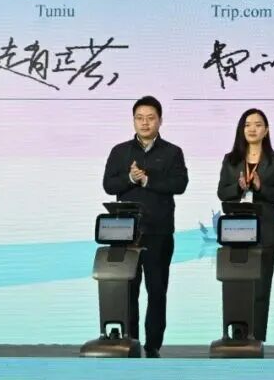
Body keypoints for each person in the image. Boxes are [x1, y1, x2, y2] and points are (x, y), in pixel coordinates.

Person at [102, 95, 189, 358]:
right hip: (125, 234)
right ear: (133, 120)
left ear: (160, 120)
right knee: (127, 290)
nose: (145, 123)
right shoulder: (120, 151)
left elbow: (180, 185)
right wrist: (130, 178)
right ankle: (130, 342)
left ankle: (153, 346)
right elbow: (108, 185)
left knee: (157, 290)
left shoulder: (172, 152)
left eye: (151, 118)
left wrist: (148, 181)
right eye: (139, 118)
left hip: (159, 232)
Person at [217, 108, 274, 342]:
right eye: (247, 125)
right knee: (236, 287)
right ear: (241, 129)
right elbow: (222, 192)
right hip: (236, 232)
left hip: (266, 232)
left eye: (258, 124)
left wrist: (259, 187)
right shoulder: (231, 159)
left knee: (261, 290)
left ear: (266, 130)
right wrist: (239, 187)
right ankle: (236, 336)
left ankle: (256, 339)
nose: (252, 129)